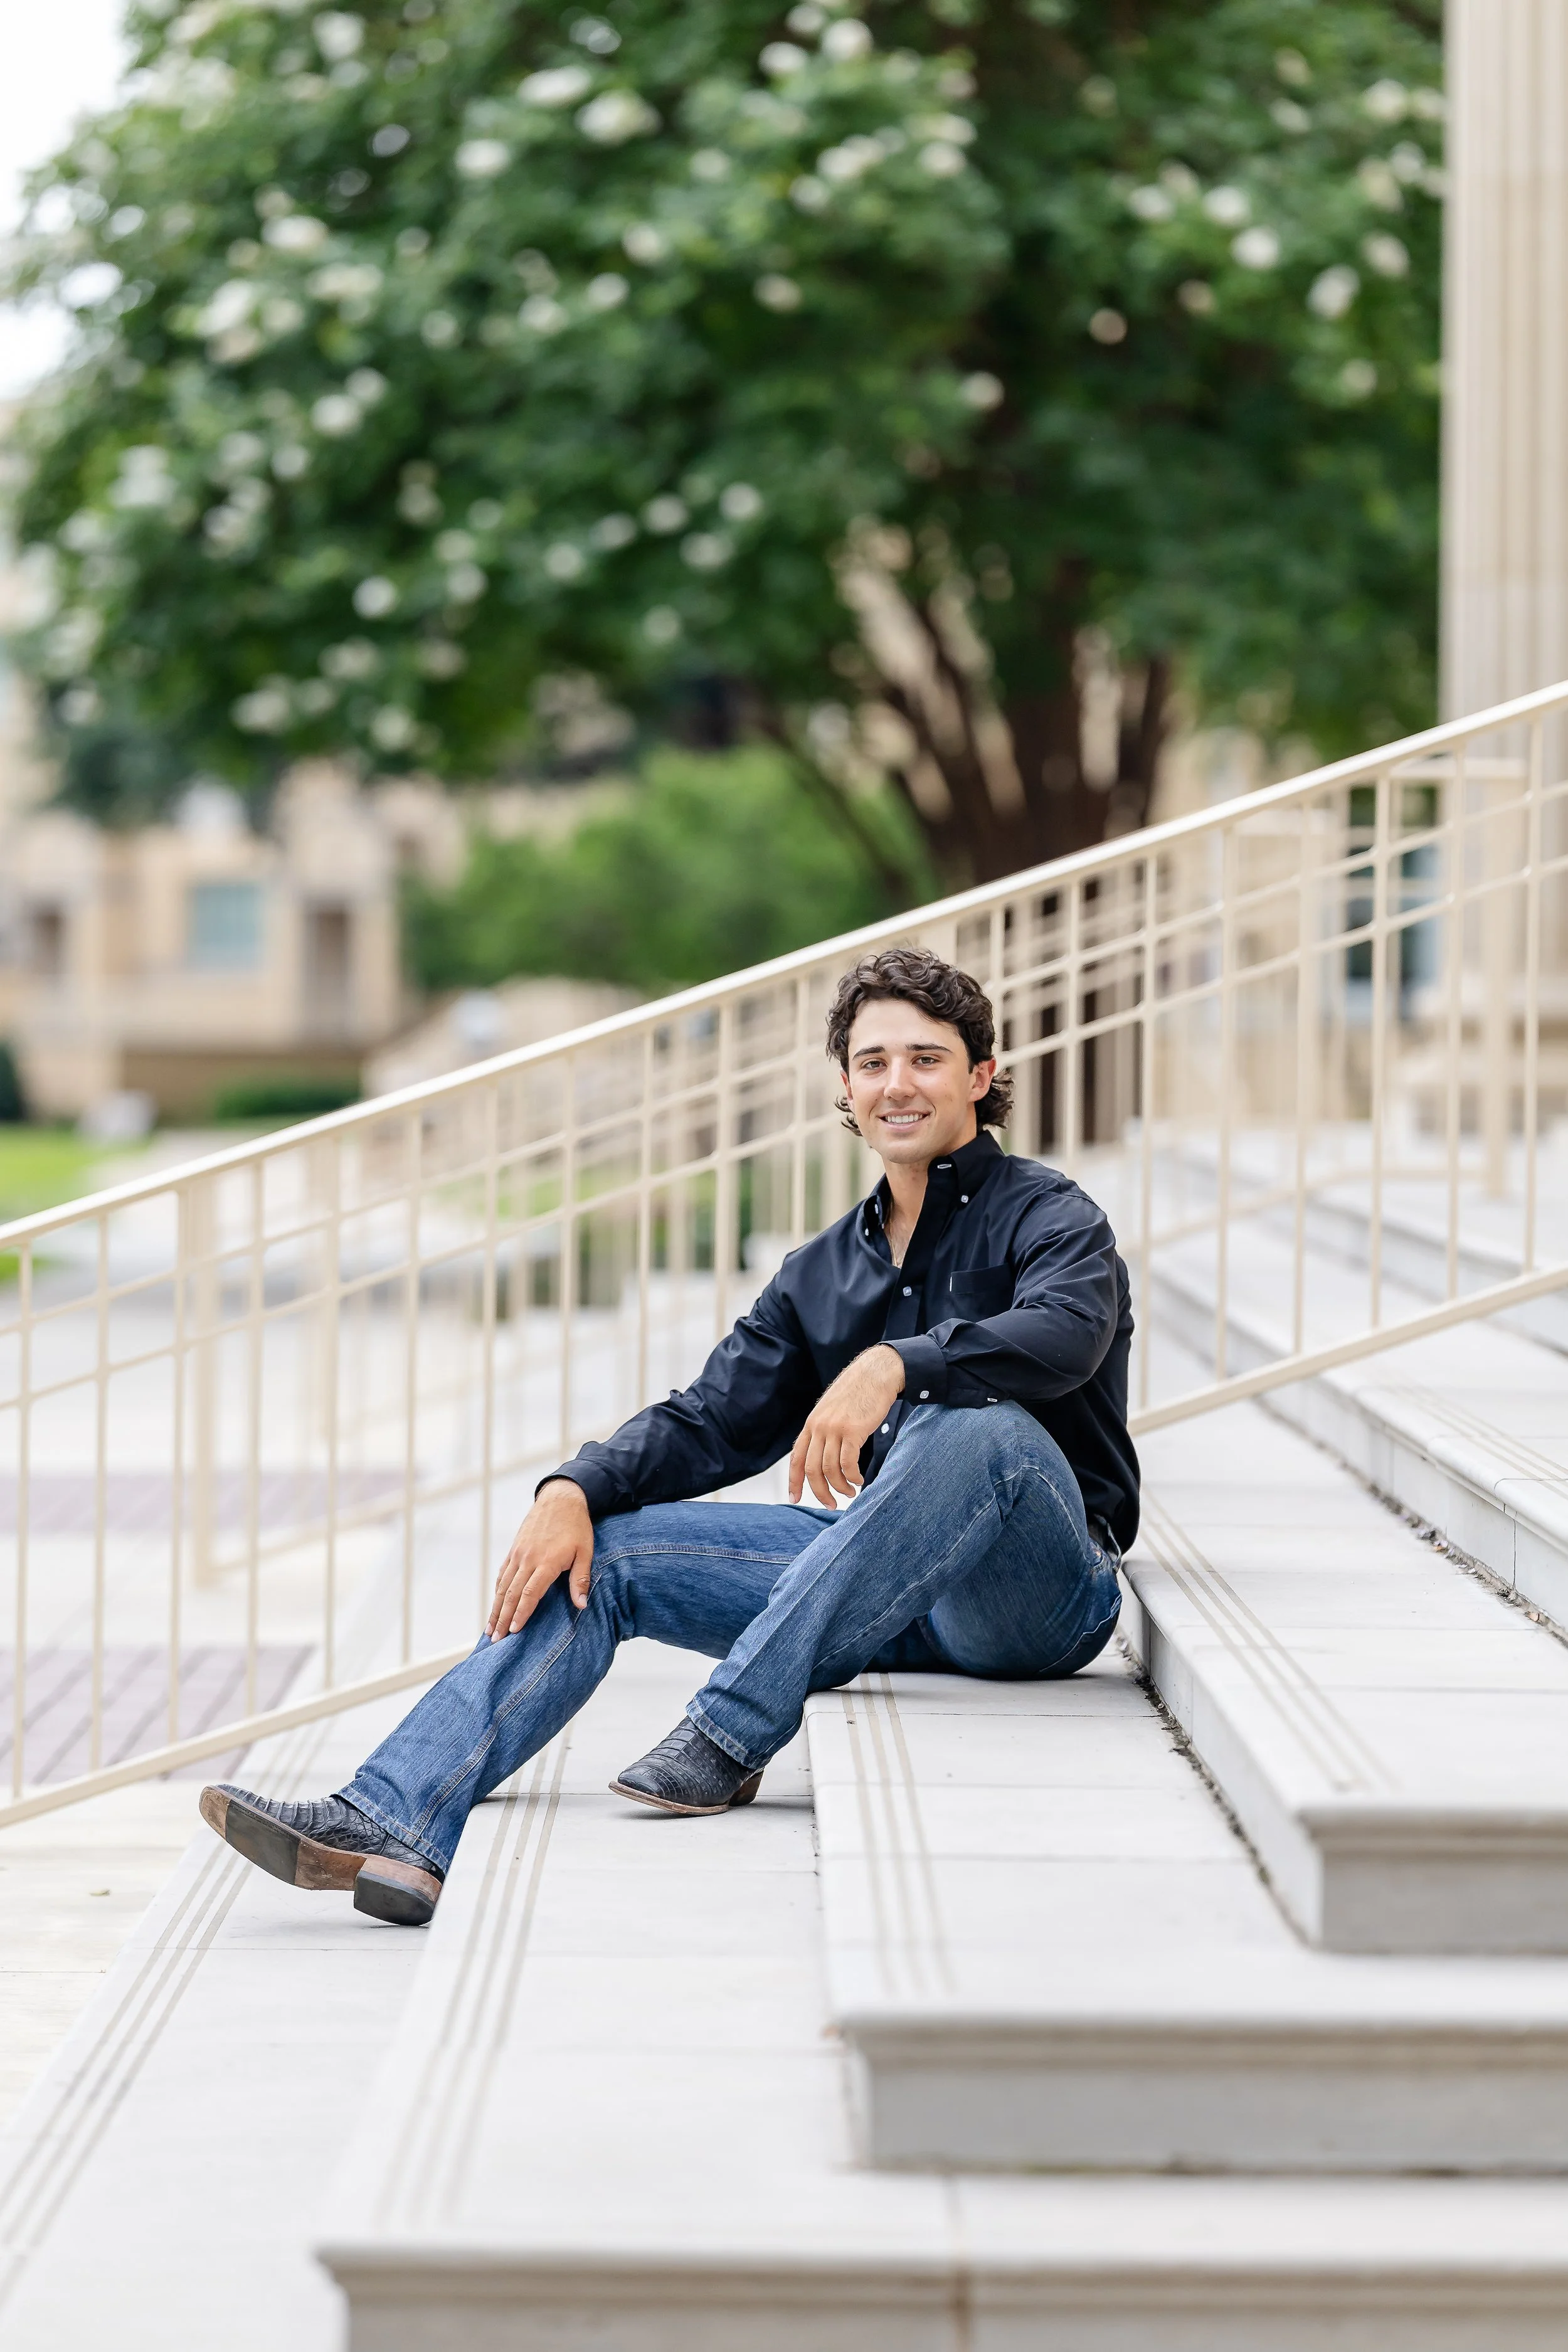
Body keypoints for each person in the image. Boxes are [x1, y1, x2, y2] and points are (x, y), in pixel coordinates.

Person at [201, 946, 1138, 1926]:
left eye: (926, 1059)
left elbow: (1065, 1336)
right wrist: (572, 1487)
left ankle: (730, 1733)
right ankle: (390, 1821)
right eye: (872, 1063)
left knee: (968, 1425)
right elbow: (712, 1418)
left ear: (980, 1078)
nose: (897, 1083)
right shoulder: (824, 1271)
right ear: (848, 1090)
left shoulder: (1052, 1216)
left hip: (1034, 1591)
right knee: (600, 1557)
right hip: (883, 1586)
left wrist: (899, 1362)